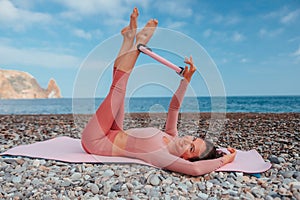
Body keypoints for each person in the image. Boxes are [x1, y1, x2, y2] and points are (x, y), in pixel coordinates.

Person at [81, 8, 236, 176]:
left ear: (185, 159)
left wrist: (226, 160)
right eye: (193, 139)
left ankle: (137, 43)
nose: (186, 140)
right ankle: (128, 39)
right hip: (114, 131)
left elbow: (196, 169)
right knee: (119, 89)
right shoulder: (171, 136)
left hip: (96, 140)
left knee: (117, 90)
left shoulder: (162, 157)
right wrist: (186, 80)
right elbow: (174, 108)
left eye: (191, 148)